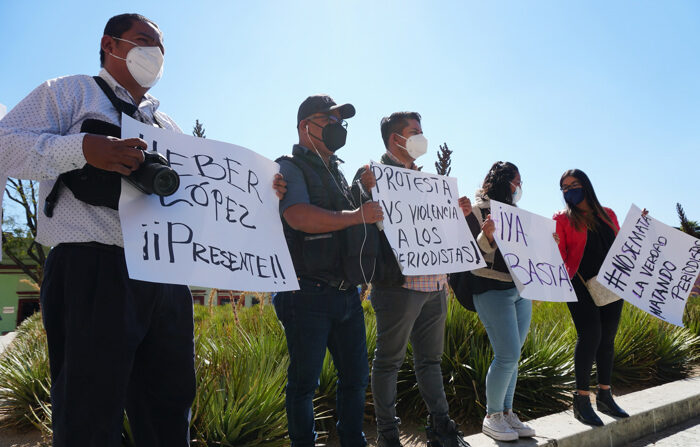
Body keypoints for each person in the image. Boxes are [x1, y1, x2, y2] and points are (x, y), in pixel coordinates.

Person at [0, 14, 286, 447]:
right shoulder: (69, 93)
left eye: (161, 46)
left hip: (165, 277)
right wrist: (82, 149)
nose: (155, 52)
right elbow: (5, 146)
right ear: (110, 44)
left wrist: (264, 194)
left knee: (169, 407)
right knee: (89, 411)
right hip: (93, 265)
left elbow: (201, 197)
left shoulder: (167, 126)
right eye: (143, 41)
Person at [353, 112, 472, 447]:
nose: (422, 137)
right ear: (396, 138)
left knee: (430, 361)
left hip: (434, 283)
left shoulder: (424, 179)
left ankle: (441, 428)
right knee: (389, 361)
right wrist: (364, 191)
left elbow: (438, 228)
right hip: (398, 285)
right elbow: (358, 213)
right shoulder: (371, 175)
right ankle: (389, 435)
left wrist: (456, 211)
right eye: (415, 131)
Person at [274, 94, 383, 447]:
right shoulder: (289, 168)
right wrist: (357, 215)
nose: (337, 128)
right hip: (306, 293)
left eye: (339, 122)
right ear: (306, 126)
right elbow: (298, 216)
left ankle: (353, 441)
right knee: (305, 383)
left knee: (355, 377)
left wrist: (361, 190)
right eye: (329, 120)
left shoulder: (335, 171)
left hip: (346, 295)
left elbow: (351, 218)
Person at [465, 161, 536, 441]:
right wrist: (487, 235)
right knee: (506, 354)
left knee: (513, 357)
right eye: (516, 181)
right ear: (505, 181)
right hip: (489, 288)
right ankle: (492, 416)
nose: (519, 187)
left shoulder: (518, 215)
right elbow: (468, 254)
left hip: (520, 291)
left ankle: (507, 413)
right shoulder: (476, 210)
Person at [553, 169, 629, 426]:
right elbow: (560, 257)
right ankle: (581, 400)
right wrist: (551, 244)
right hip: (578, 283)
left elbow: (623, 246)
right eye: (564, 187)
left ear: (586, 185)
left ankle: (605, 396)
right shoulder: (562, 219)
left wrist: (641, 229)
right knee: (590, 335)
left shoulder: (609, 214)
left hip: (611, 284)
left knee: (607, 337)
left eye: (574, 185)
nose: (569, 190)